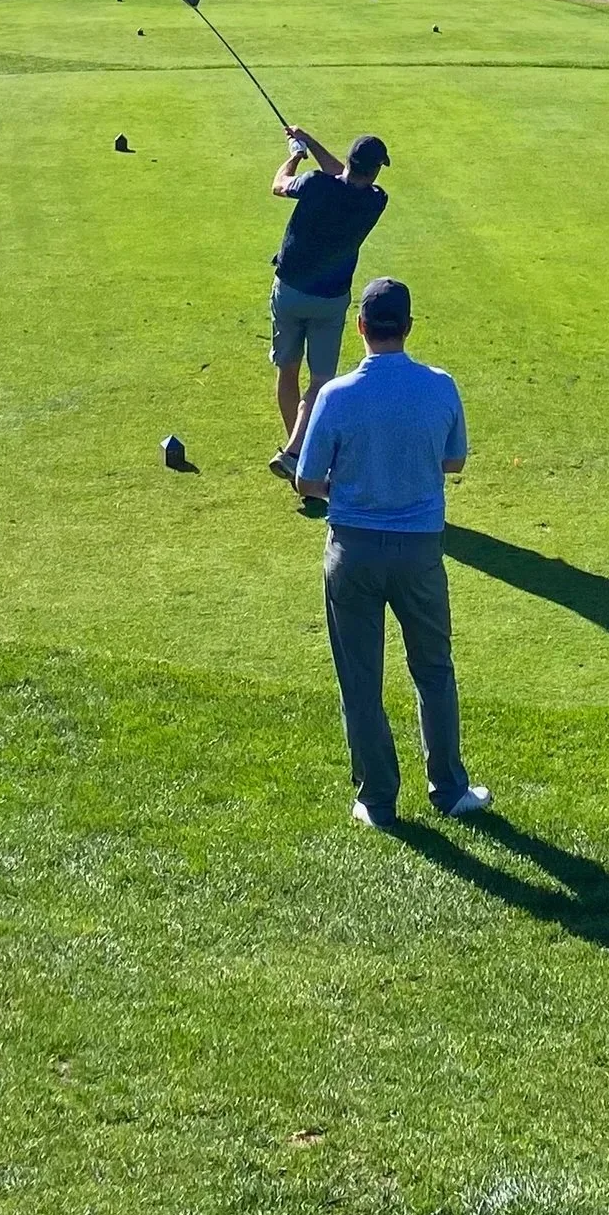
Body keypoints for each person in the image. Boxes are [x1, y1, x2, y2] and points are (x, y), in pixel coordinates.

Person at [294, 274, 489, 830]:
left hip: (352, 553)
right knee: (434, 668)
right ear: (407, 327)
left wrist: (351, 486)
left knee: (360, 678)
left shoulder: (335, 395)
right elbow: (453, 461)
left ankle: (378, 801)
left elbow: (307, 480)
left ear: (360, 327)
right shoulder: (440, 386)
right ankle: (449, 788)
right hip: (420, 552)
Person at [265, 126, 388, 491]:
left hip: (290, 290)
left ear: (349, 160)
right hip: (330, 300)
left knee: (288, 370)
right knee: (319, 381)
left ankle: (296, 453)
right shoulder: (375, 200)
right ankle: (298, 454)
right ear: (376, 170)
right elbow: (343, 177)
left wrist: (296, 153)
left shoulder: (315, 184)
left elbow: (279, 184)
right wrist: (310, 142)